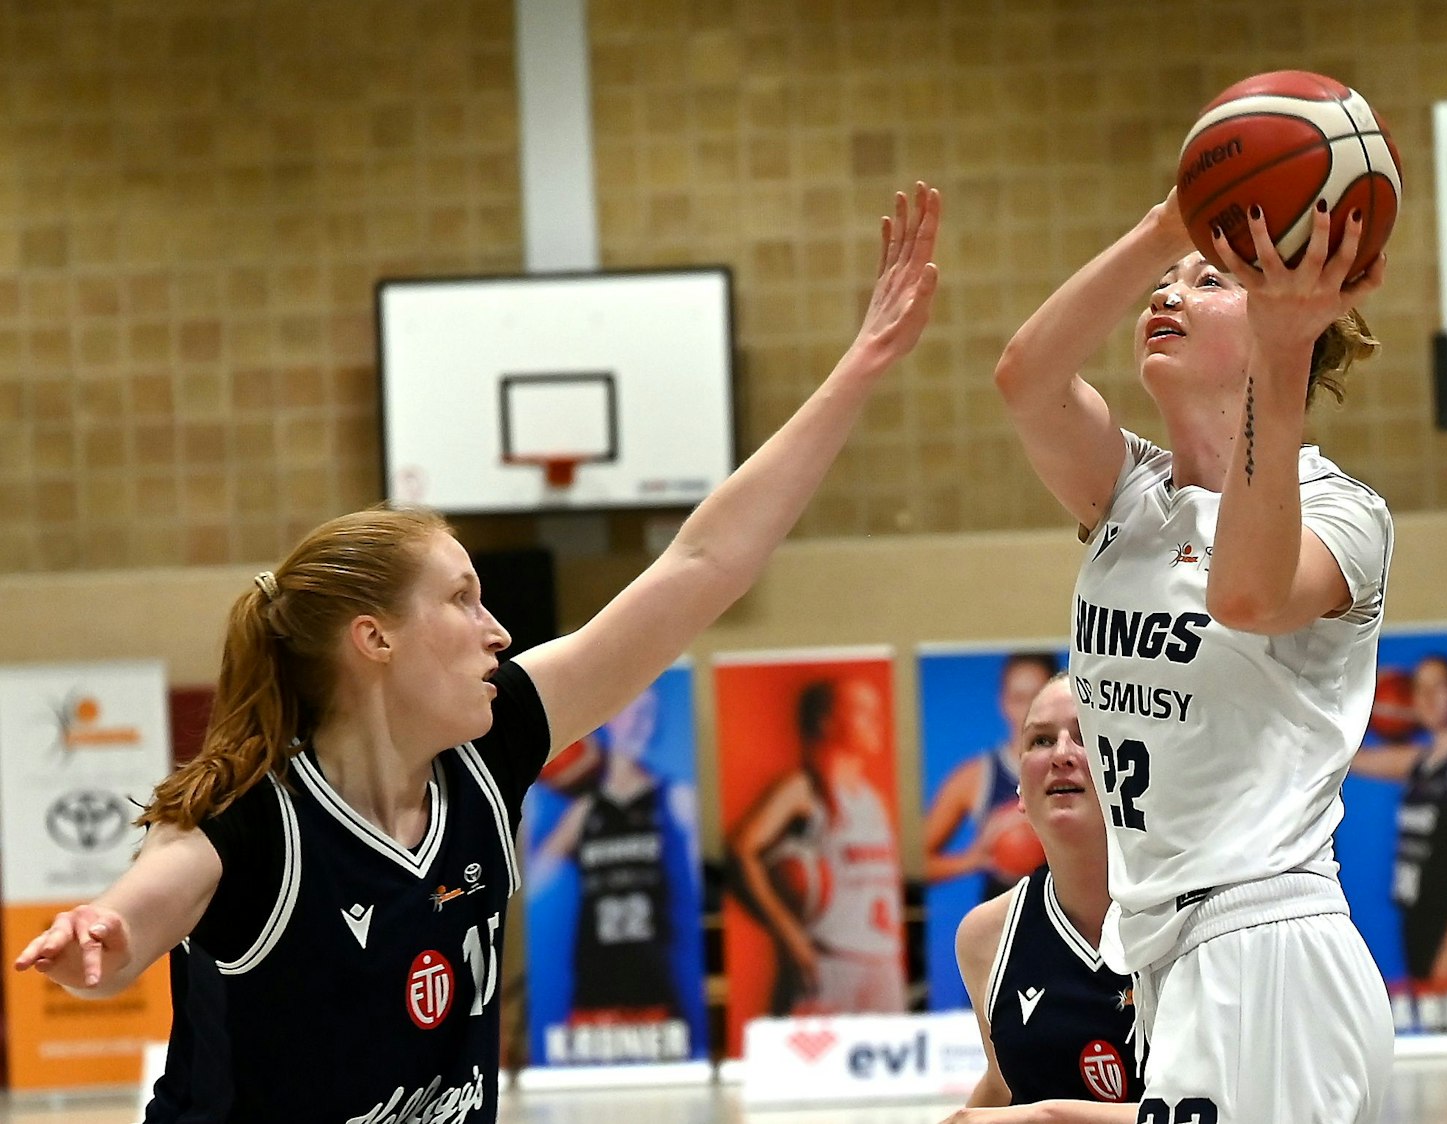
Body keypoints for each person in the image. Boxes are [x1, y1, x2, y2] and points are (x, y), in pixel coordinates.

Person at [12, 183, 942, 1123]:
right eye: (462, 599)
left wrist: (862, 363)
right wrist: (104, 934)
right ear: (374, 638)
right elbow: (136, 921)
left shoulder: (488, 757)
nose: (498, 631)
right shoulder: (252, 819)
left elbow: (704, 564)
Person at [995, 188, 1394, 1123]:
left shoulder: (1343, 513)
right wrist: (1162, 227)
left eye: (1209, 282)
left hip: (1264, 946)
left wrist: (1284, 353)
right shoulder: (1126, 492)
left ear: (1277, 331)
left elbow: (1247, 596)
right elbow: (1025, 378)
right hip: (1171, 954)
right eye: (1165, 283)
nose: (1166, 294)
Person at [944, 675, 1140, 1122]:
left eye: (1086, 735)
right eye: (1041, 740)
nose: (1061, 754)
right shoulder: (986, 936)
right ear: (1019, 790)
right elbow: (1002, 1084)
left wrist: (1044, 1117)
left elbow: (1233, 1110)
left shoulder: (1192, 915)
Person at [526, 685, 702, 1060]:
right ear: (609, 719)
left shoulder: (675, 799)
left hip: (656, 978)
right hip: (595, 980)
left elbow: (698, 892)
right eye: (630, 712)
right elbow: (531, 882)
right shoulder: (585, 810)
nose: (639, 723)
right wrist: (532, 793)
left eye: (648, 715)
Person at [729, 675, 906, 1015]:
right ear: (827, 723)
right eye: (862, 711)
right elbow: (741, 849)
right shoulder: (803, 789)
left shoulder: (876, 801)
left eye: (877, 712)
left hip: (884, 963)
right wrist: (789, 932)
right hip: (830, 962)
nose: (877, 721)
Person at [1350, 654, 1447, 987]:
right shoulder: (1421, 761)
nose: (1428, 697)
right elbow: (1348, 757)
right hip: (1418, 920)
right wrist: (1365, 692)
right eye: (1419, 689)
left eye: (1439, 686)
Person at [924, 652, 1060, 897]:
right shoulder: (976, 777)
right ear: (1003, 702)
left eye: (1036, 697)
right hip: (1001, 911)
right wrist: (972, 860)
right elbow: (918, 862)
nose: (1027, 710)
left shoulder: (1077, 766)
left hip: (1068, 910)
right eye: (1018, 698)